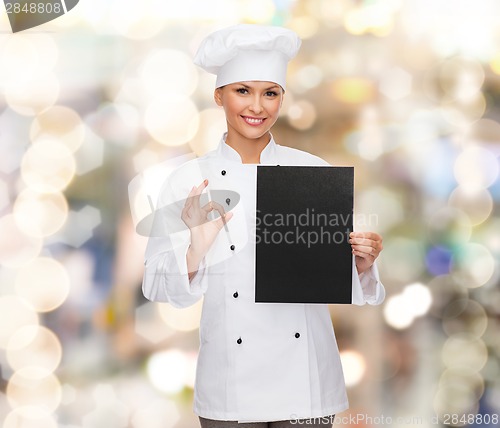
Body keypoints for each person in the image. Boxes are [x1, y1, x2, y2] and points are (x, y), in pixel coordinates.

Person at [142, 24, 385, 428]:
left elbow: (331, 278)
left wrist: (360, 264)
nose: (257, 106)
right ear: (219, 95)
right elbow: (155, 284)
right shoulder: (187, 181)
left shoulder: (313, 172)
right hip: (229, 387)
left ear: (282, 99)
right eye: (243, 91)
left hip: (305, 383)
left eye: (270, 93)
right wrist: (196, 249)